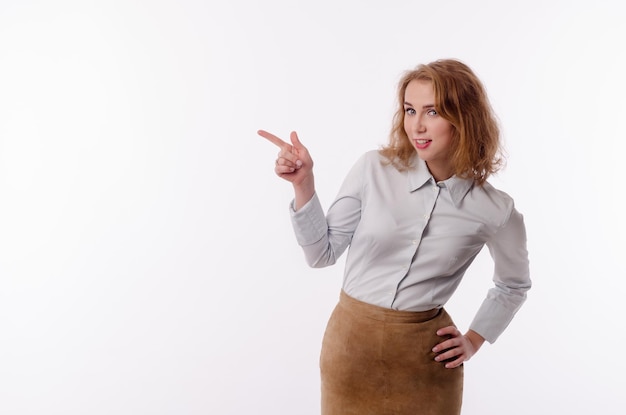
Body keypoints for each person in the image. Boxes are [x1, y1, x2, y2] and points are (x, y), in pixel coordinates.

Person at [258, 58, 531, 415]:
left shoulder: (495, 209)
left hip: (427, 362)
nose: (417, 125)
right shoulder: (374, 168)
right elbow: (320, 254)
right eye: (410, 109)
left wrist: (475, 339)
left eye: (432, 111)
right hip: (350, 351)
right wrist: (303, 185)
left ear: (465, 118)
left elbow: (513, 285)